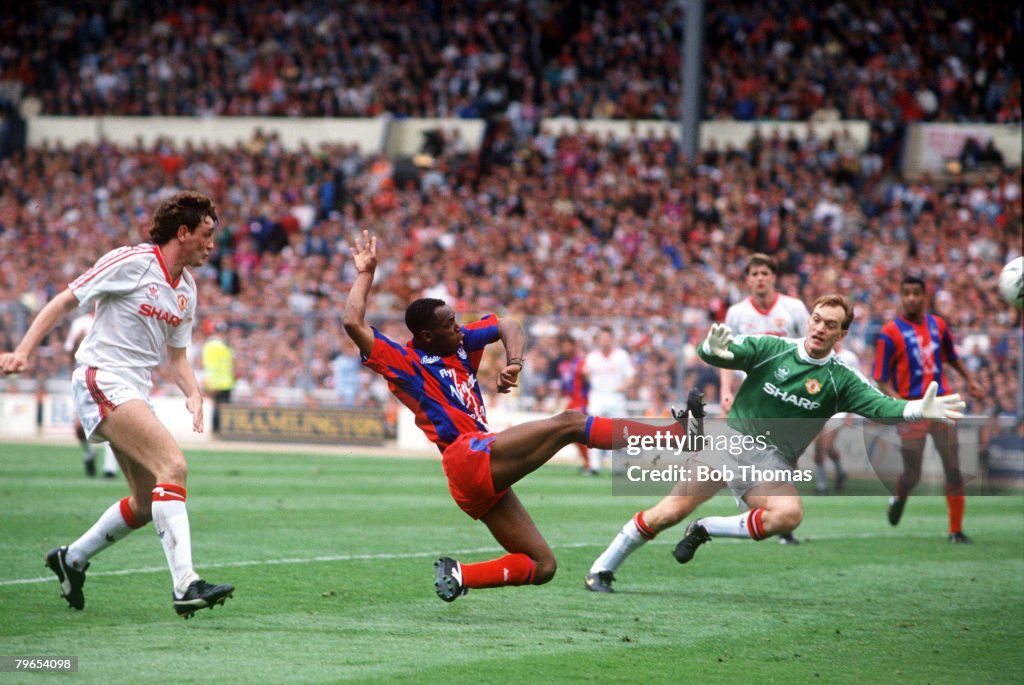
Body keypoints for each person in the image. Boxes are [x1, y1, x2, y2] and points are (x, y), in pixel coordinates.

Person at [343, 231, 696, 602]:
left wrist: (514, 363)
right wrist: (366, 273)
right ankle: (674, 435)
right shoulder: (406, 362)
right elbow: (353, 322)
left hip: (474, 470)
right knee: (570, 423)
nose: (459, 327)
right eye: (449, 324)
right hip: (467, 456)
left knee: (543, 566)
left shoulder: (459, 344)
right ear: (427, 335)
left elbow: (507, 325)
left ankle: (460, 575)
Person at [585, 294, 967, 592]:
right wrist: (710, 350)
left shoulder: (842, 380)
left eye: (830, 324)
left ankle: (705, 528)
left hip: (771, 464)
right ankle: (601, 569)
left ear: (841, 334)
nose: (819, 328)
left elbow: (880, 407)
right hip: (727, 444)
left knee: (788, 515)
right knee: (666, 513)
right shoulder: (773, 349)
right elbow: (725, 351)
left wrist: (917, 409)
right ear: (810, 320)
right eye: (817, 319)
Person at [0, 191, 234, 618]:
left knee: (146, 503)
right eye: (206, 235)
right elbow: (65, 300)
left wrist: (195, 393)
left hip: (133, 388)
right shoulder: (132, 261)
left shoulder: (187, 289)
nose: (212, 245)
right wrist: (23, 351)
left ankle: (71, 558)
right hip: (101, 377)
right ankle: (185, 584)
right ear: (183, 233)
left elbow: (177, 358)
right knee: (174, 467)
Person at [873, 275, 986, 543]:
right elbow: (880, 378)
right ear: (901, 296)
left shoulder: (938, 325)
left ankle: (955, 530)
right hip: (913, 409)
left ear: (925, 296)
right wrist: (901, 405)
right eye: (906, 293)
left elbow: (953, 357)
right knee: (913, 474)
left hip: (941, 405)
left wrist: (970, 379)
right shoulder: (889, 332)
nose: (911, 298)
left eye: (916, 293)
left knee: (953, 467)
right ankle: (899, 498)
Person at [720, 253, 809, 543]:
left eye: (765, 273)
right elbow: (725, 354)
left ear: (774, 277)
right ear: (747, 279)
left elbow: (811, 348)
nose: (760, 278)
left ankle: (782, 521)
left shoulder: (793, 308)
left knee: (786, 457)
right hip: (751, 399)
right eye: (755, 273)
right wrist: (725, 390)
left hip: (788, 395)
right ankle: (765, 514)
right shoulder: (736, 313)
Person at [63, 308, 118, 478]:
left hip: (110, 377)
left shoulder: (117, 319)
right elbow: (69, 349)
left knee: (112, 421)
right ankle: (89, 454)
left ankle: (110, 468)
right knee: (79, 428)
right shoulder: (81, 323)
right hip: (84, 378)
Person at [582, 327, 636, 475]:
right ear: (598, 340)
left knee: (619, 431)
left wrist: (623, 386)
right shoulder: (592, 357)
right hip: (597, 396)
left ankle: (617, 466)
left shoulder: (621, 356)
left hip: (615, 396)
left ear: (611, 339)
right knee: (592, 430)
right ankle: (594, 466)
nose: (604, 342)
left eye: (607, 338)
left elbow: (631, 375)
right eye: (602, 339)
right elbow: (585, 373)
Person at [811, 343, 860, 494]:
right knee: (819, 449)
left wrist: (850, 413)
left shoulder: (849, 358)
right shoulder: (818, 355)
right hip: (819, 407)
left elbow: (856, 384)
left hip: (839, 409)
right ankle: (824, 483)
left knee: (826, 446)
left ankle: (833, 476)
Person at [548, 332, 590, 473]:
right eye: (562, 346)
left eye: (567, 346)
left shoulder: (582, 363)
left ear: (573, 346)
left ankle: (589, 463)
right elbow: (564, 387)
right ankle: (587, 462)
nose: (565, 349)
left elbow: (588, 383)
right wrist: (557, 402)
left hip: (583, 402)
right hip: (572, 402)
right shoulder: (562, 365)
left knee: (581, 434)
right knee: (573, 435)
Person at [201, 322, 235, 434]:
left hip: (218, 381)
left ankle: (217, 431)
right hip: (221, 382)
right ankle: (218, 432)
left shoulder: (211, 345)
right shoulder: (223, 346)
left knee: (217, 408)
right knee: (219, 409)